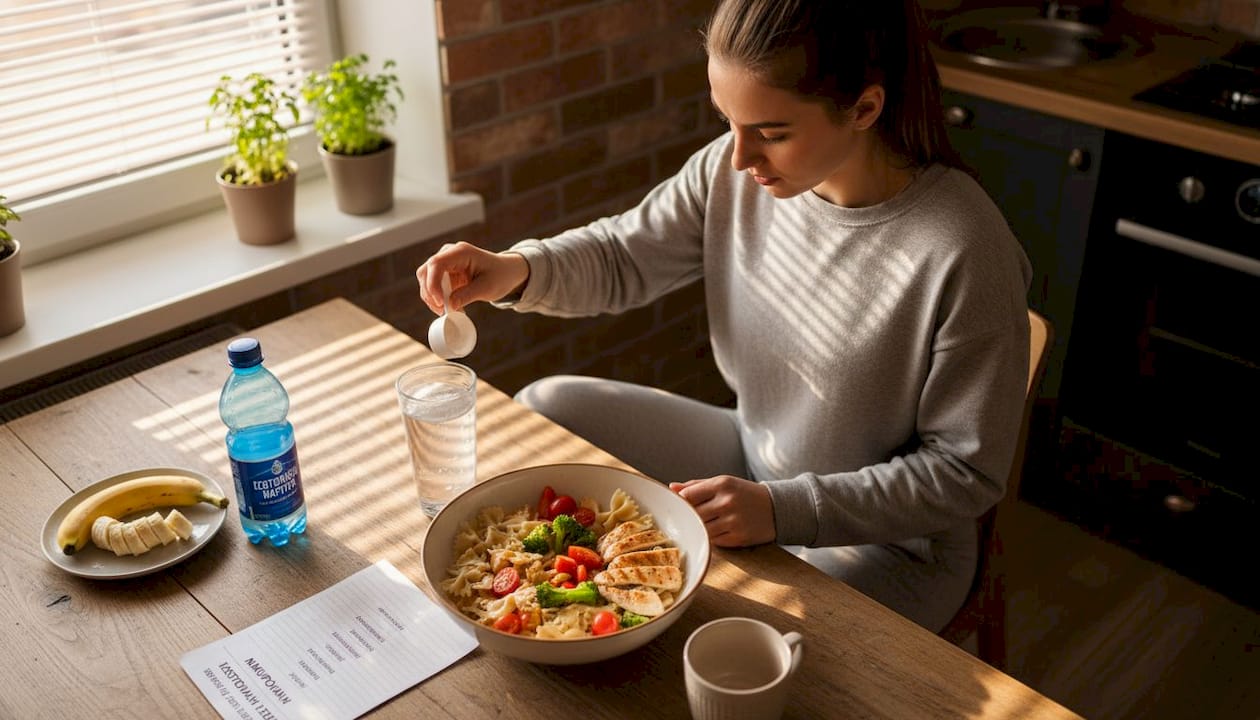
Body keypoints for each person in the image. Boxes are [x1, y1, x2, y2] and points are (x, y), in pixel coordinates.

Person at [415, 0, 1031, 633]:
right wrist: (514, 269)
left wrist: (782, 510)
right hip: (755, 458)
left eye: (771, 131)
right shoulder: (733, 174)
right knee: (546, 403)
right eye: (727, 121)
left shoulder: (965, 249)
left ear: (865, 109)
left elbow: (963, 473)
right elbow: (626, 253)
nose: (738, 158)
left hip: (889, 544)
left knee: (732, 637)